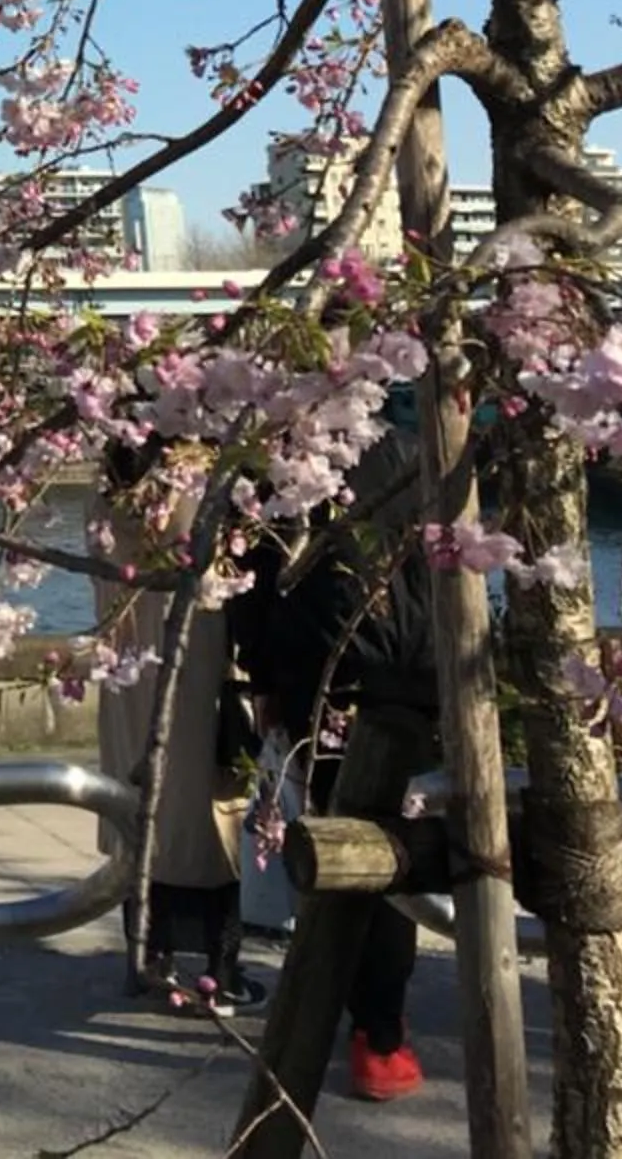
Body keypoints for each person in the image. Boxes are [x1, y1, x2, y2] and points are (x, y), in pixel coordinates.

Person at [229, 438, 435, 1105]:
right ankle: (380, 1032)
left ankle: (365, 1027)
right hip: (407, 665)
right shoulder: (399, 453)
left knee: (353, 849)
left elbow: (255, 568)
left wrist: (260, 672)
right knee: (392, 845)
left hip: (327, 672)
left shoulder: (282, 455)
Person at [92, 443, 256, 1006]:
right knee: (209, 818)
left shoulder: (107, 490)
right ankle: (217, 968)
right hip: (199, 675)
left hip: (129, 678)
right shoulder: (206, 486)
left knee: (142, 815)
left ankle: (149, 953)